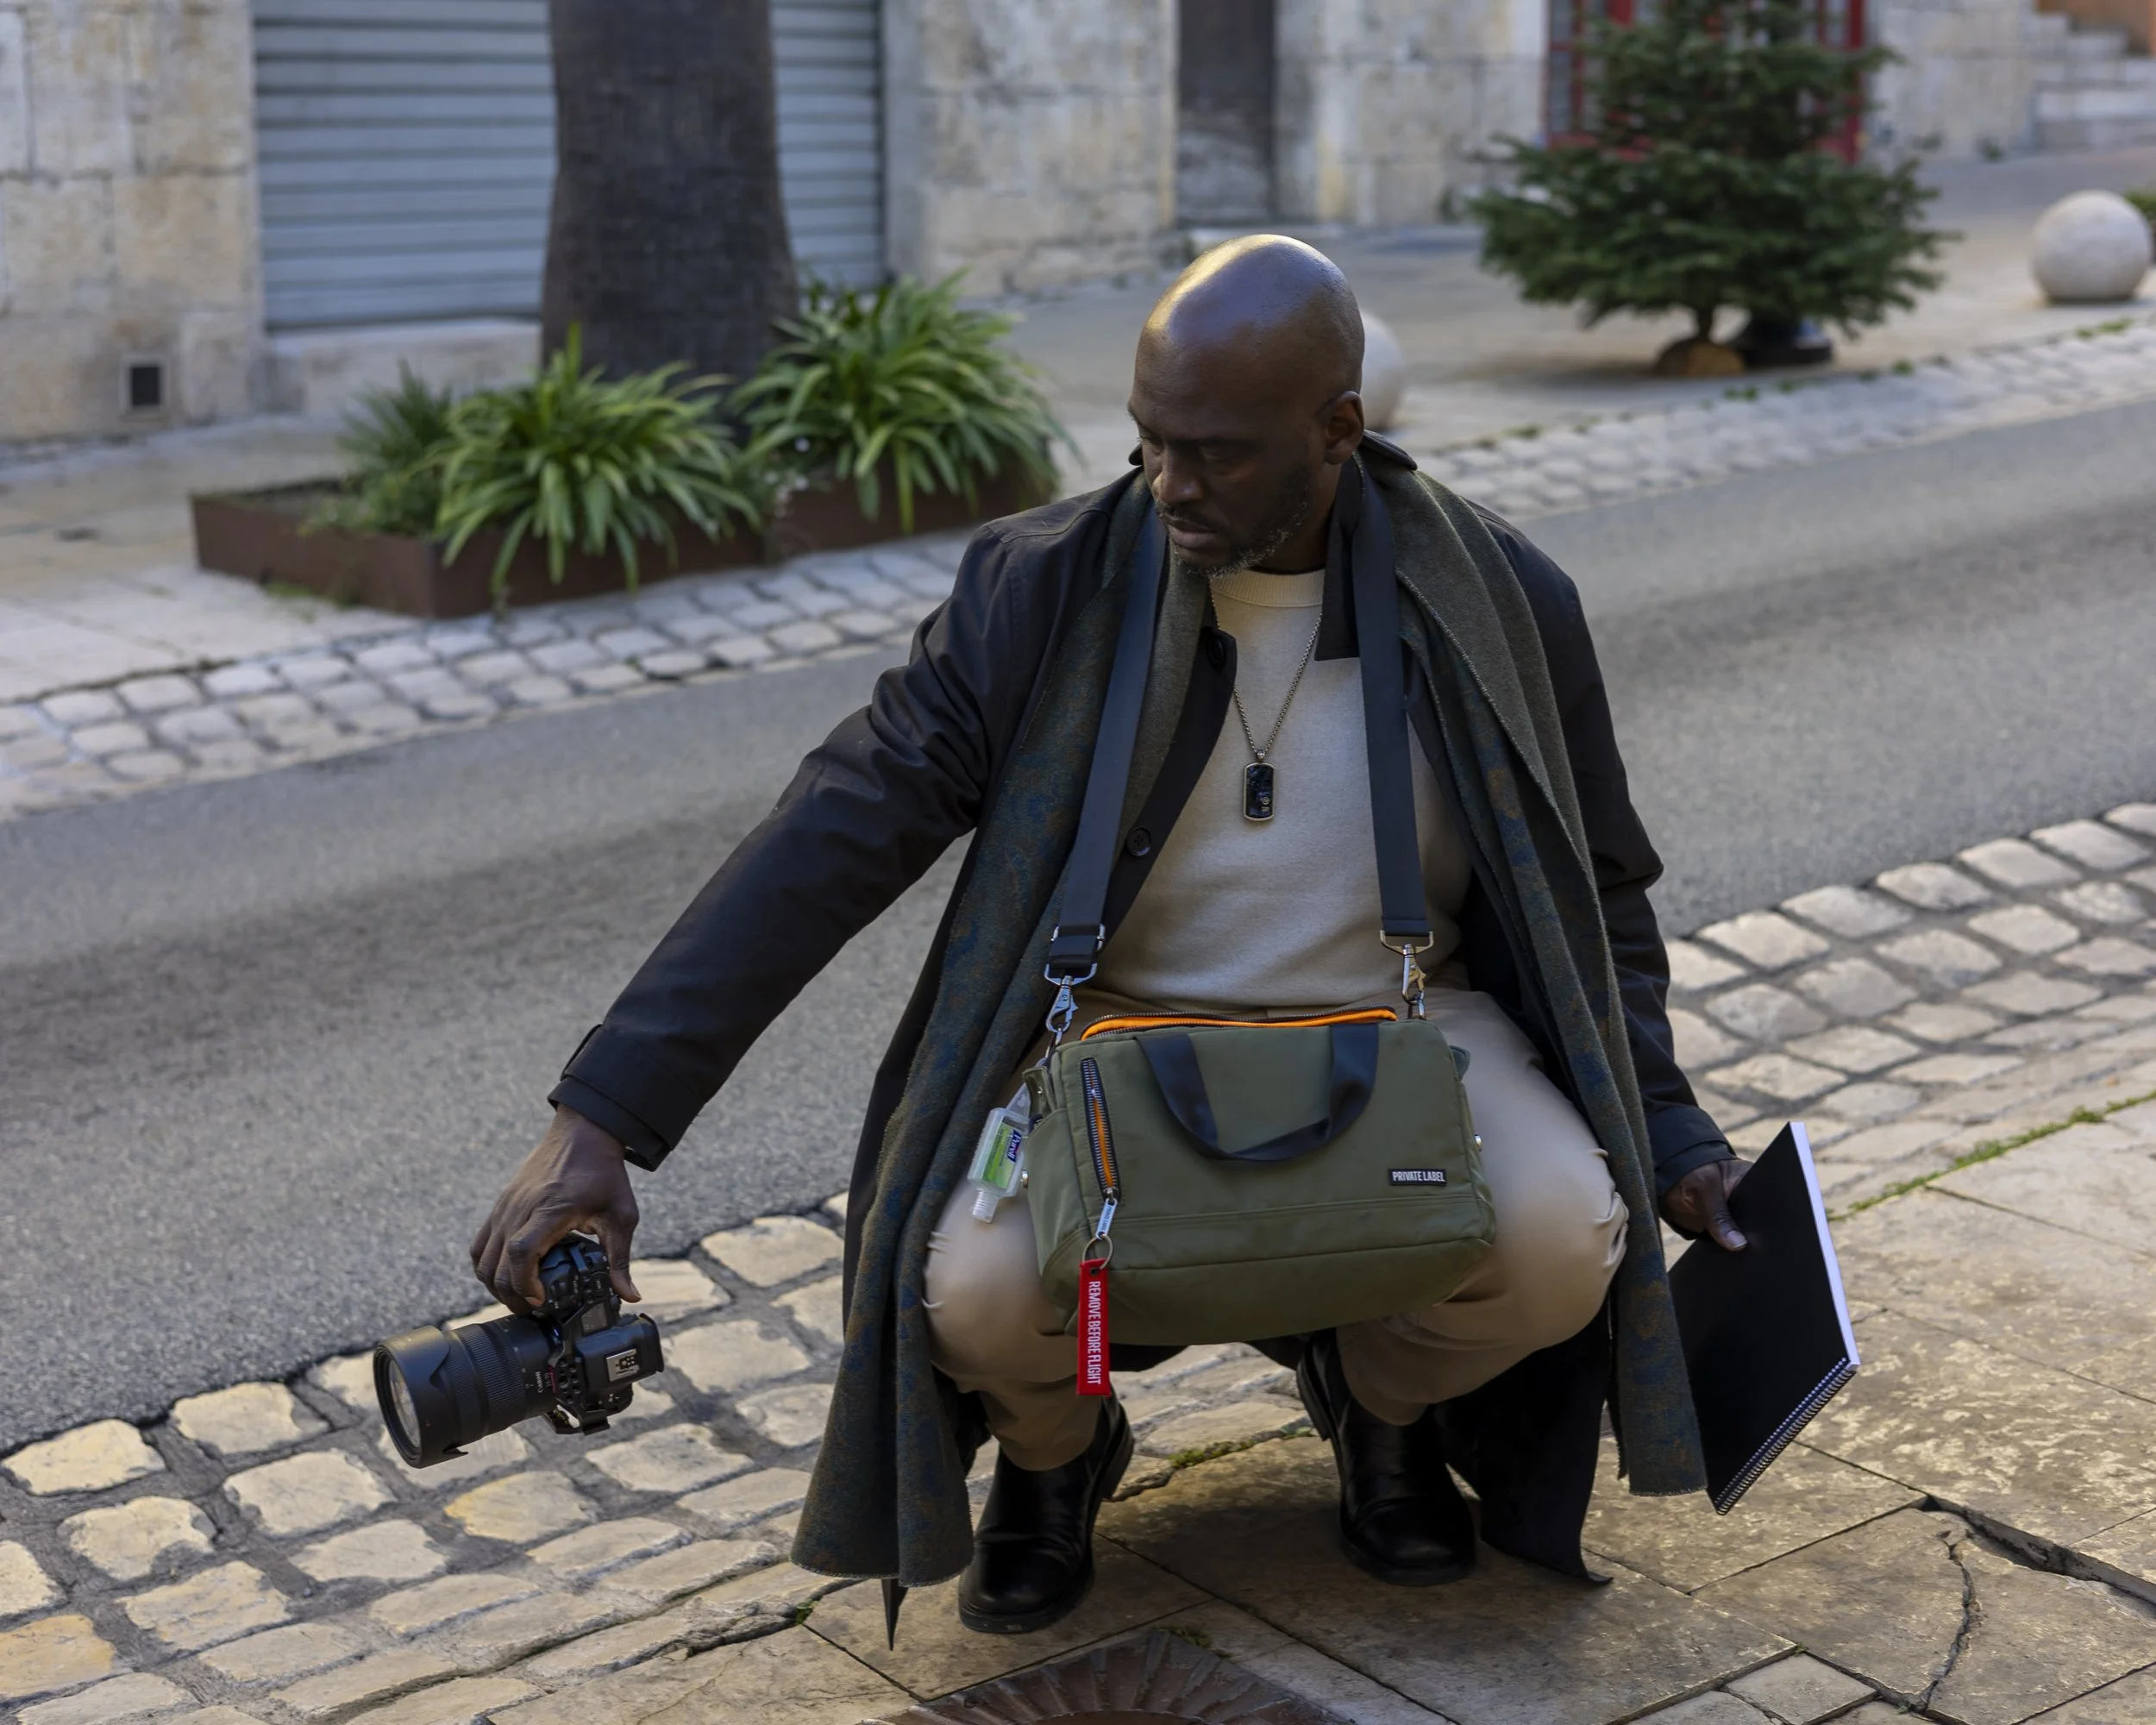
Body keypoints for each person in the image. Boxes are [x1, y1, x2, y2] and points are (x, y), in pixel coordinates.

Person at [471, 235, 1748, 1634]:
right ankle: (1058, 1450)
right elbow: (831, 831)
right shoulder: (1043, 591)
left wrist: (1669, 1125)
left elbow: (1596, 888)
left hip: (1406, 1027)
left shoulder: (1502, 601)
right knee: (966, 1288)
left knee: (1567, 1235)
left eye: (1215, 453)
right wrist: (606, 1118)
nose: (1167, 485)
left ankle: (1382, 1407)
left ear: (1339, 430)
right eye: (1149, 440)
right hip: (1110, 1031)